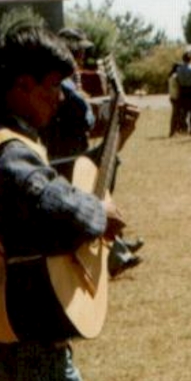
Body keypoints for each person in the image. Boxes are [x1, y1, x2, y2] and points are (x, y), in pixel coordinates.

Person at [0, 27, 126, 381]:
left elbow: (44, 185)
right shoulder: (9, 149)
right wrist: (98, 214)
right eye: (54, 85)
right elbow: (51, 204)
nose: (60, 97)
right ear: (24, 85)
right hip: (21, 328)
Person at [41, 28, 142, 277]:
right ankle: (112, 251)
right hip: (66, 161)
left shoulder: (64, 81)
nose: (81, 57)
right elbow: (85, 118)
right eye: (78, 52)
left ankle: (114, 241)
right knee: (107, 166)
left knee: (111, 159)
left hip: (69, 156)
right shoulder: (65, 84)